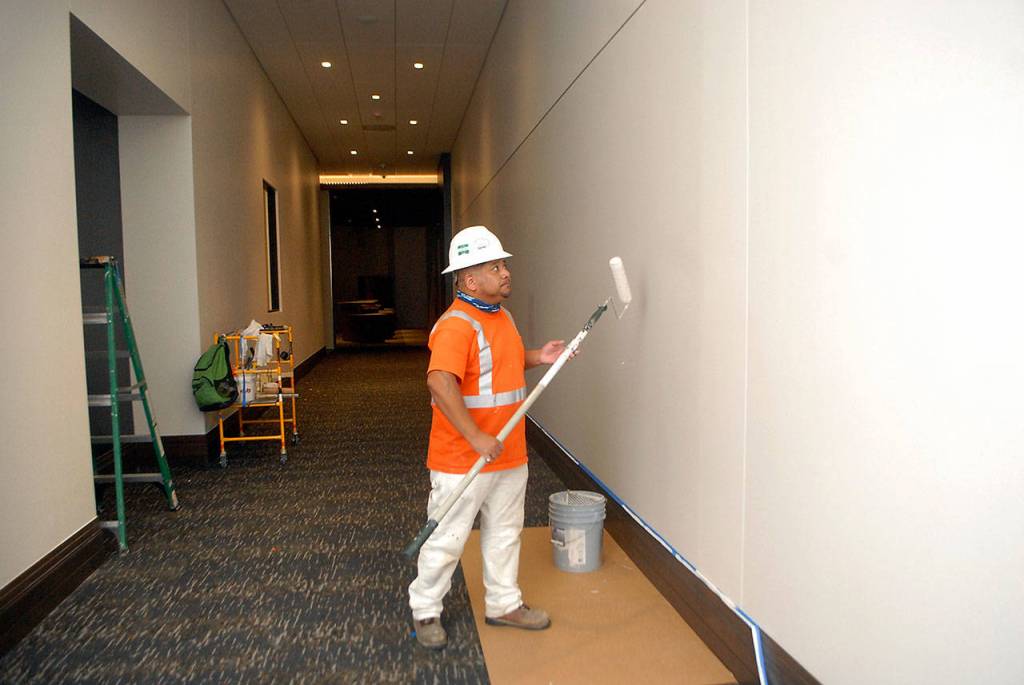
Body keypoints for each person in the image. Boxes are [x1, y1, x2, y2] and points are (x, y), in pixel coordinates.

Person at [408, 225, 568, 650]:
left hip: (509, 452)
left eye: (504, 264)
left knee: (504, 533)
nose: (505, 272)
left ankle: (504, 604)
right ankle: (425, 608)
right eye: (495, 266)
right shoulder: (456, 325)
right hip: (464, 457)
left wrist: (540, 356)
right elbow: (440, 382)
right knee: (447, 538)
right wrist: (477, 436)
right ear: (470, 279)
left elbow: (505, 369)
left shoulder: (501, 317)